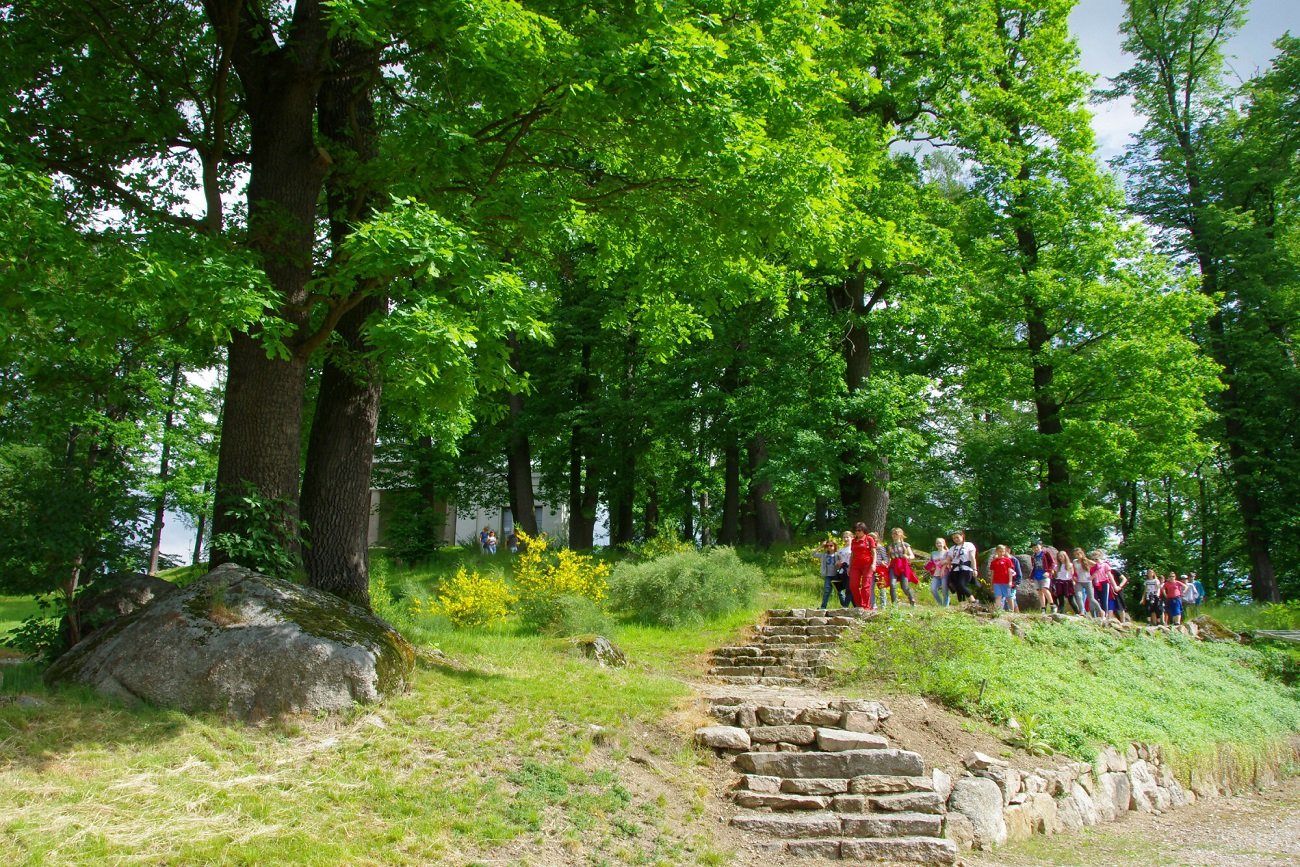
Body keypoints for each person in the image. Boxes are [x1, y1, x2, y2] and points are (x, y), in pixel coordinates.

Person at [886, 528, 917, 607]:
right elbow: (888, 558)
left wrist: (907, 556)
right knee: (892, 584)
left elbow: (912, 556)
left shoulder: (906, 545)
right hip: (893, 566)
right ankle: (894, 605)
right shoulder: (890, 546)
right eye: (893, 534)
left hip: (903, 566)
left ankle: (911, 599)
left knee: (904, 587)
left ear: (900, 534)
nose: (894, 535)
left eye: (896, 534)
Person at [848, 523, 876, 609]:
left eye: (859, 530)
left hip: (867, 565)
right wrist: (849, 566)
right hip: (855, 566)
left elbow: (874, 552)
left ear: (864, 530)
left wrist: (874, 564)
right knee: (853, 585)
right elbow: (852, 554)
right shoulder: (853, 541)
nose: (857, 532)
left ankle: (866, 606)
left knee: (865, 586)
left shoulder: (869, 539)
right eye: (855, 530)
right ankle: (859, 605)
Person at [946, 530, 978, 603]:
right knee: (957, 586)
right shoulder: (952, 548)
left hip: (966, 568)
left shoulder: (969, 545)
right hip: (955, 569)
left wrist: (975, 569)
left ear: (962, 536)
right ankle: (961, 603)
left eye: (957, 537)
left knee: (961, 585)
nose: (955, 539)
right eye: (954, 538)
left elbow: (972, 557)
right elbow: (949, 559)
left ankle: (973, 600)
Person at [814, 538, 844, 609]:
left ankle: (844, 606)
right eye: (827, 546)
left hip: (836, 575)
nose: (829, 547)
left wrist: (840, 562)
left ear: (835, 546)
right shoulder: (824, 555)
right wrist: (821, 546)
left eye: (831, 545)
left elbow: (844, 559)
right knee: (826, 592)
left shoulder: (837, 554)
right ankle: (823, 607)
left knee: (840, 592)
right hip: (828, 576)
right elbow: (813, 554)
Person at [1072, 548, 1100, 617]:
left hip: (1087, 582)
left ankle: (1101, 611)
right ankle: (1082, 611)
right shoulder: (1075, 561)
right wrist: (1074, 576)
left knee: (1091, 599)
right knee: (1078, 596)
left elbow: (1098, 567)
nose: (1077, 556)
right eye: (1076, 554)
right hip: (1079, 582)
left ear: (1082, 554)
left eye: (1078, 554)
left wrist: (1092, 576)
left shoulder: (1087, 561)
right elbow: (1074, 571)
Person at [1029, 542, 1056, 614]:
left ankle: (1052, 605)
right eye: (1034, 548)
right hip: (1037, 575)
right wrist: (1031, 576)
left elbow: (1052, 563)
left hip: (1045, 575)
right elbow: (1034, 567)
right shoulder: (1033, 556)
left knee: (1044, 589)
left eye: (1037, 547)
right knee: (1040, 592)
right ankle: (1043, 608)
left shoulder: (1046, 553)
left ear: (1040, 546)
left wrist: (1049, 571)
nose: (1036, 549)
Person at [989, 544, 1017, 612]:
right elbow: (992, 574)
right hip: (997, 582)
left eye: (1003, 551)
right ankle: (997, 611)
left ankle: (1011, 611)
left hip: (1006, 582)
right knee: (998, 596)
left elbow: (1010, 571)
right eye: (1000, 551)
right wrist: (991, 584)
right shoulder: (993, 562)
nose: (1002, 553)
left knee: (1009, 597)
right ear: (996, 551)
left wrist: (1010, 581)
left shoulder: (1007, 560)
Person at [1089, 551, 1115, 622]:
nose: (1095, 561)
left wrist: (1114, 585)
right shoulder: (1092, 566)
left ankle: (1105, 616)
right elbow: (1090, 576)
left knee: (1104, 600)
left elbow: (1110, 575)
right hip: (1095, 584)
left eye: (1096, 559)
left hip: (1104, 583)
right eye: (1093, 559)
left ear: (1100, 557)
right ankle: (1096, 615)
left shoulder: (1105, 565)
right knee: (1095, 599)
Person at [926, 537, 951, 607]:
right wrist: (929, 567)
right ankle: (940, 604)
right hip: (936, 574)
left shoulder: (947, 552)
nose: (938, 544)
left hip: (945, 573)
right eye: (937, 543)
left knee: (944, 590)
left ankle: (945, 606)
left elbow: (949, 561)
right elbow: (931, 562)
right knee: (933, 589)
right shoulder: (933, 553)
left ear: (944, 543)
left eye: (940, 542)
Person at [1053, 549, 1078, 614]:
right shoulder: (1057, 566)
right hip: (1059, 582)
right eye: (1059, 556)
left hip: (1068, 582)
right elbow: (1055, 575)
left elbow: (1072, 574)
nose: (1060, 558)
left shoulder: (1070, 565)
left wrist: (1073, 581)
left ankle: (1077, 613)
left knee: (1071, 599)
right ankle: (1060, 614)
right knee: (1061, 600)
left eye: (1061, 556)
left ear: (1065, 556)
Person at [835, 531, 854, 607]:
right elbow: (839, 560)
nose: (845, 539)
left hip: (852, 569)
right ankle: (856, 606)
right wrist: (838, 563)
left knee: (849, 588)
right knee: (843, 587)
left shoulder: (853, 548)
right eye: (844, 537)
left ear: (852, 538)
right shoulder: (840, 550)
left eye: (847, 537)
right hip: (843, 571)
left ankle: (845, 606)